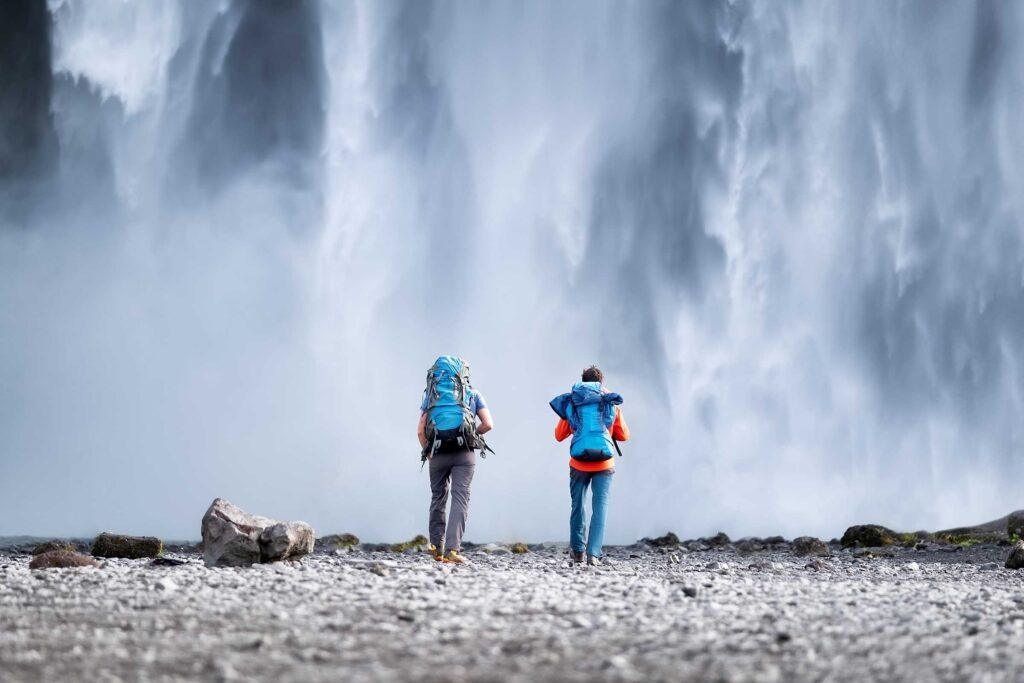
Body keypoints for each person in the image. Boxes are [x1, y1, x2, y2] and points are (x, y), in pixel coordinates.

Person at [550, 365, 629, 566]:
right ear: (600, 383)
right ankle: (593, 554)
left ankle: (578, 551)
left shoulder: (574, 403)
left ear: (582, 382)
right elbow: (624, 436)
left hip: (578, 463)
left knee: (578, 506)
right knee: (600, 507)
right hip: (604, 463)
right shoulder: (610, 402)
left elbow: (559, 436)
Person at [418, 356, 493, 564]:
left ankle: (436, 548)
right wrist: (472, 435)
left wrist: (428, 450)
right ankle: (452, 550)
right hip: (464, 453)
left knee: (438, 497)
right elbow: (488, 424)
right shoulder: (472, 393)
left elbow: (420, 430)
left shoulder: (432, 395)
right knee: (460, 497)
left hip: (437, 452)